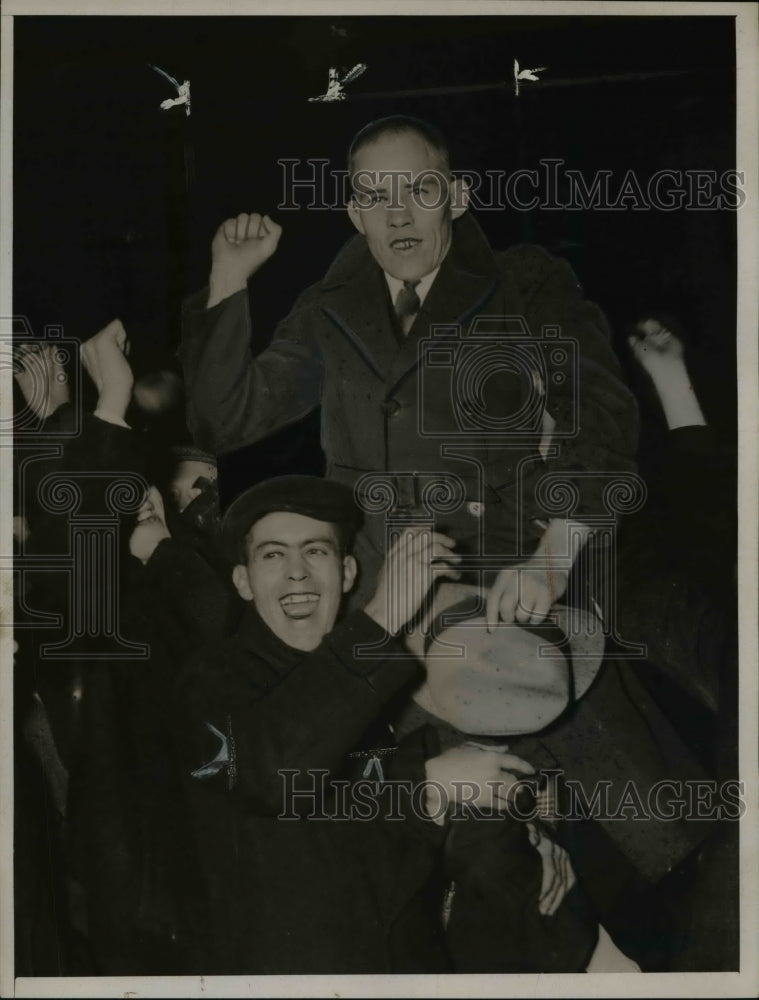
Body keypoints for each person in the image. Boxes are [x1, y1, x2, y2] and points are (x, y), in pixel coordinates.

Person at [179, 114, 639, 624]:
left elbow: (600, 414)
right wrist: (229, 275)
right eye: (375, 197)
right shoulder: (327, 309)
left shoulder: (526, 284)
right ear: (356, 215)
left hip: (507, 578)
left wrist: (553, 558)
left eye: (419, 189)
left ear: (456, 197)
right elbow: (221, 423)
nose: (397, 215)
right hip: (370, 590)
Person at [172, 475, 600, 974]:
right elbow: (272, 777)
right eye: (272, 555)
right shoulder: (211, 679)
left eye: (316, 552)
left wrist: (524, 835)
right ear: (242, 581)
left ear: (348, 571)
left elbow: (383, 821)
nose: (296, 573)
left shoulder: (376, 691)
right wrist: (382, 617)